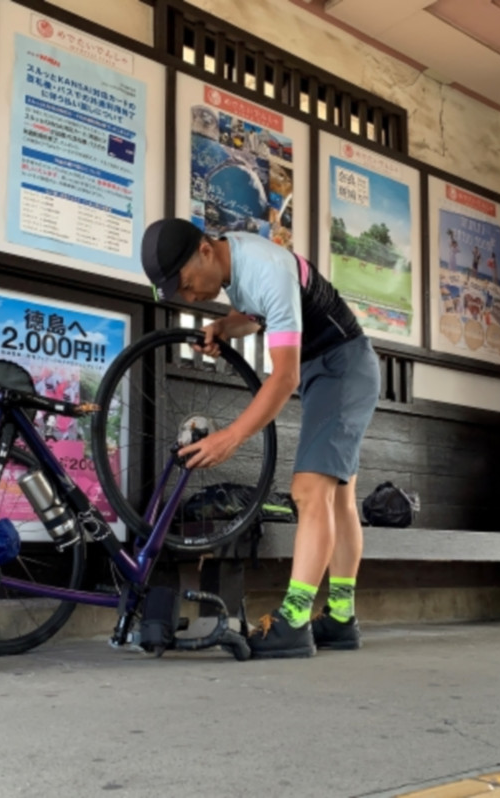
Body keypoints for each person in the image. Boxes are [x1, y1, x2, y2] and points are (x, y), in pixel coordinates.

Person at [141, 219, 380, 659]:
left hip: (341, 368)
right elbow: (258, 317)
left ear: (205, 251)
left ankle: (294, 620)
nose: (189, 296)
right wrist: (225, 327)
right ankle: (342, 618)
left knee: (309, 493)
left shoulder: (265, 266)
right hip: (329, 370)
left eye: (188, 284)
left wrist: (231, 437)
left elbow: (284, 376)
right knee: (339, 496)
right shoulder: (237, 263)